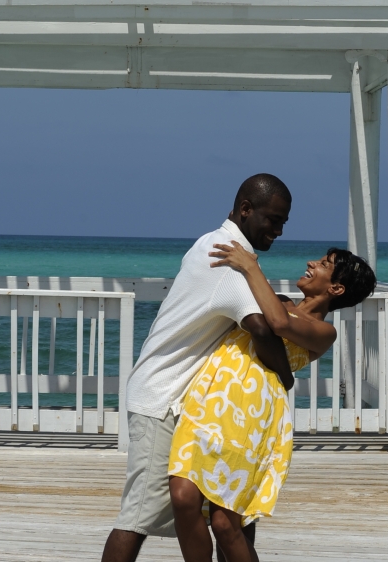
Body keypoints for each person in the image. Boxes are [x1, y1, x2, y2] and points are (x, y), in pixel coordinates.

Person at [101, 174, 296, 562]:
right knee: (137, 518)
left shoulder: (213, 242)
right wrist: (287, 375)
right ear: (245, 210)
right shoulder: (228, 259)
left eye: (283, 223)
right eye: (272, 219)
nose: (278, 230)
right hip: (162, 398)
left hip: (185, 401)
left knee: (223, 506)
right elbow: (262, 325)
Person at [168, 242, 377, 562]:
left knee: (226, 523)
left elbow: (279, 324)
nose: (311, 262)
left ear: (336, 287)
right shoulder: (278, 301)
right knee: (183, 500)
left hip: (250, 419)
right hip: (207, 401)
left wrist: (252, 267)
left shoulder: (323, 332)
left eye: (323, 264)